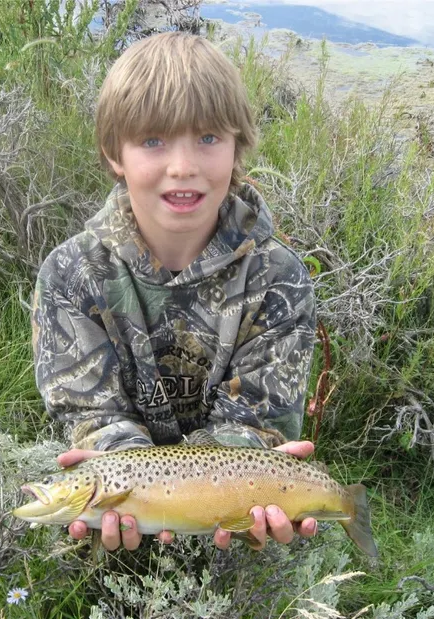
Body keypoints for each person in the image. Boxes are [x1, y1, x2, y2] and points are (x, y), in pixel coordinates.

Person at [31, 32, 318, 552]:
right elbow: (92, 418)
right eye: (153, 141)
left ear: (237, 146)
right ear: (113, 153)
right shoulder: (70, 275)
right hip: (119, 516)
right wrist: (119, 474)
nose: (183, 166)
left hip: (233, 520)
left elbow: (258, 423)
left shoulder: (280, 278)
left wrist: (248, 475)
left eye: (208, 138)